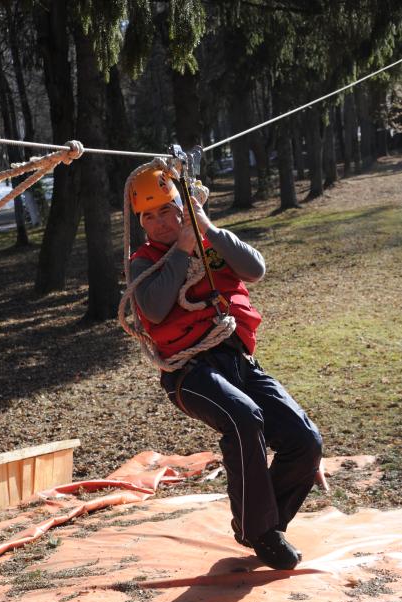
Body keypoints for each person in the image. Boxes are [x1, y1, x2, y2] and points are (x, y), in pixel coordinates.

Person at [129, 166, 322, 570]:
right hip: (188, 373)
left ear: (184, 207)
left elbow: (254, 269)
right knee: (243, 418)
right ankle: (261, 533)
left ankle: (265, 524)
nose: (159, 223)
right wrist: (181, 249)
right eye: (149, 216)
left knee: (305, 441)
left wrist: (208, 229)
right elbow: (154, 307)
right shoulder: (143, 262)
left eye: (167, 211)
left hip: (237, 359)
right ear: (139, 221)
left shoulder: (209, 243)